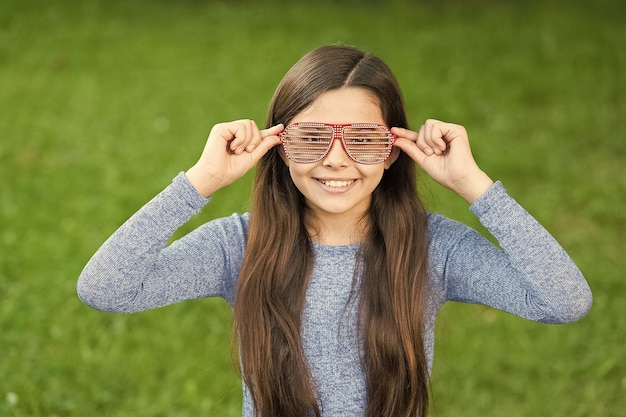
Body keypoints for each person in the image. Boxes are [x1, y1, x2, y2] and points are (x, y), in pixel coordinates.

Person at [77, 44, 592, 417]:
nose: (336, 160)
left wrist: (475, 186)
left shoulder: (433, 248)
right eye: (312, 138)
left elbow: (563, 300)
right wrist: (200, 182)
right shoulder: (238, 245)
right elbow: (105, 288)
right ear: (278, 147)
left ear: (393, 151)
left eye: (363, 139)